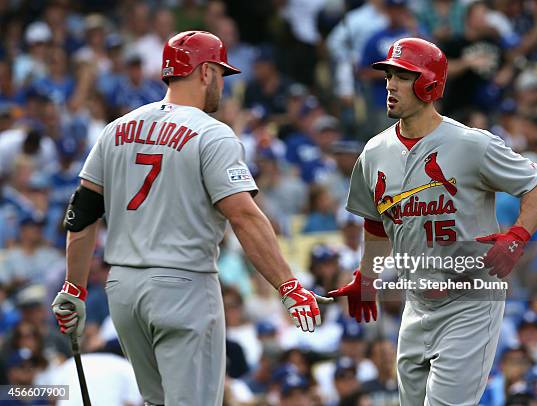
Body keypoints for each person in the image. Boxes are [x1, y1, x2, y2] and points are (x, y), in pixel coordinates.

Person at [49, 31, 330, 406]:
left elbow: (81, 214)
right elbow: (244, 216)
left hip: (124, 291)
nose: (222, 85)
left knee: (157, 402)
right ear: (205, 71)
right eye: (221, 74)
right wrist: (288, 285)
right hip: (183, 286)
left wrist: (74, 288)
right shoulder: (212, 134)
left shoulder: (116, 129)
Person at [327, 38, 537, 405]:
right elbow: (377, 222)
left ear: (430, 84)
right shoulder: (374, 152)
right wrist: (367, 275)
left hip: (470, 298)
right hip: (416, 301)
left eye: (402, 76)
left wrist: (516, 236)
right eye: (389, 75)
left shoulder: (471, 144)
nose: (390, 84)